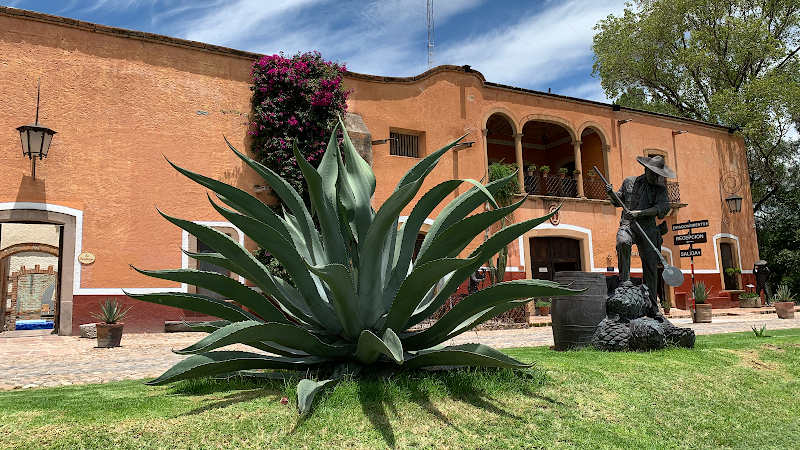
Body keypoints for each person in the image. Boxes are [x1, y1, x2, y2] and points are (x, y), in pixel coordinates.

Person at [605, 155, 674, 317]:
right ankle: (624, 281)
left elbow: (663, 208)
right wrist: (611, 194)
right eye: (653, 173)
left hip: (648, 228)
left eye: (658, 175)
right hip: (628, 225)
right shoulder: (630, 181)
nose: (655, 177)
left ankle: (652, 306)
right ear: (646, 169)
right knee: (623, 242)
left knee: (650, 266)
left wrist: (640, 213)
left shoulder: (660, 190)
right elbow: (618, 200)